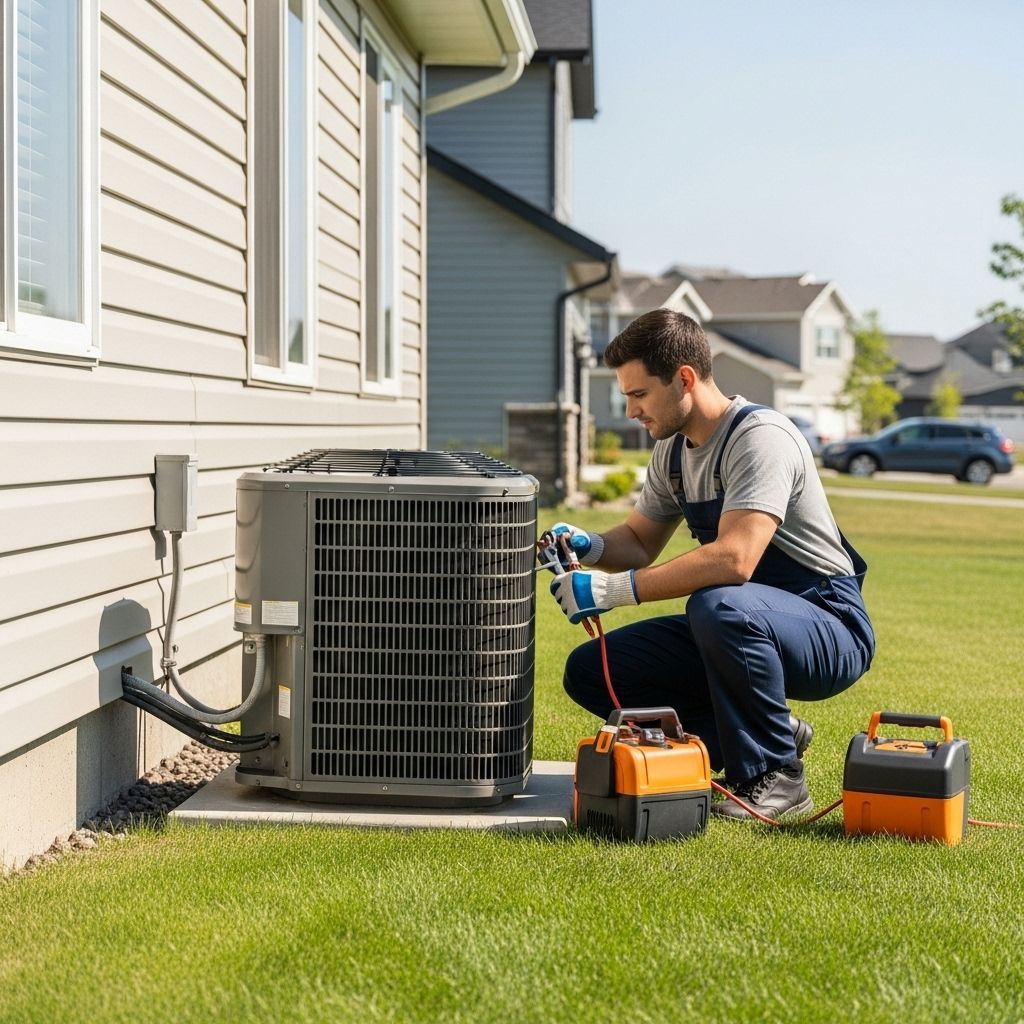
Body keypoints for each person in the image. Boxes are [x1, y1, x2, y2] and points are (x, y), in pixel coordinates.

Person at [545, 309, 875, 820]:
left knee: (719, 603)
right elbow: (637, 540)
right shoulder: (673, 453)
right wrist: (588, 546)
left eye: (638, 395)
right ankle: (760, 735)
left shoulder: (760, 437)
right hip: (736, 621)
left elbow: (736, 558)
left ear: (684, 379)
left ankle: (778, 777)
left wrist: (613, 591)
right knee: (590, 671)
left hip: (829, 624)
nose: (631, 410)